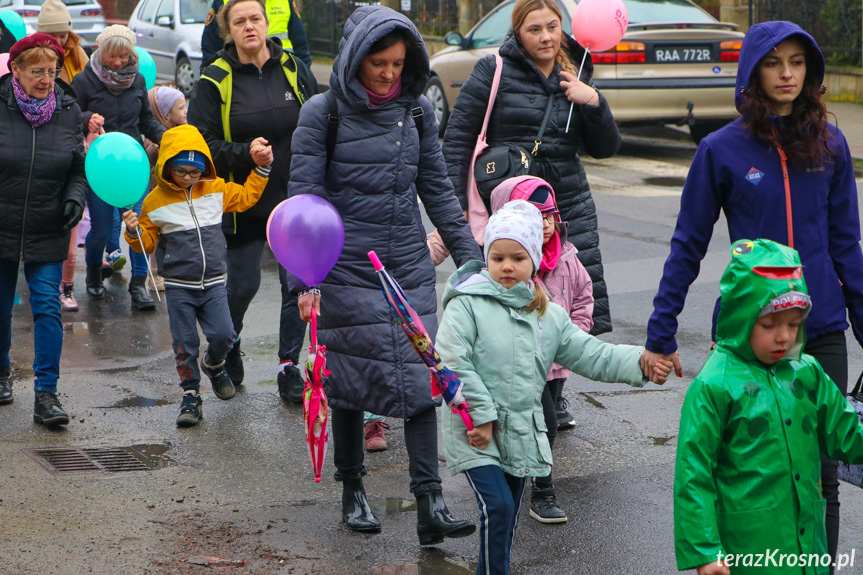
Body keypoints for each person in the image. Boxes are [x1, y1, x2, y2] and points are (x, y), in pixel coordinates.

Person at [642, 22, 863, 570]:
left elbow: (847, 246)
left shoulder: (832, 146)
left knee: (819, 475)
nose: (787, 74)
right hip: (748, 332)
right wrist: (660, 332)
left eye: (797, 62)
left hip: (821, 330)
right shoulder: (720, 149)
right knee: (744, 470)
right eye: (774, 63)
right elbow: (687, 244)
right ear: (752, 72)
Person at [288, 5, 482, 543]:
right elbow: (304, 200)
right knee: (349, 382)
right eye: (378, 63)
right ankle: (353, 491)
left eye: (398, 63)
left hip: (407, 264)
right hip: (344, 267)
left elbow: (439, 191)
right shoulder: (321, 114)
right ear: (354, 58)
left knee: (426, 376)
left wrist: (472, 260)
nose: (389, 74)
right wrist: (304, 281)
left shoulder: (417, 112)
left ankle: (431, 502)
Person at [435, 200, 670, 575]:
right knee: (497, 506)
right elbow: (452, 363)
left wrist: (642, 361)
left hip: (519, 431)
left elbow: (592, 355)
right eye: (497, 258)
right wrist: (480, 417)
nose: (507, 266)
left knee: (507, 515)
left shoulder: (548, 314)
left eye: (517, 257)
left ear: (534, 260)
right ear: (487, 257)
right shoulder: (467, 305)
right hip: (475, 429)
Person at [674, 239, 863, 575]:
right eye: (769, 325)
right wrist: (705, 551)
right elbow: (694, 474)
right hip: (748, 552)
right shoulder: (714, 385)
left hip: (806, 544)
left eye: (794, 324)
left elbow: (847, 432)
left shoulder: (807, 372)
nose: (784, 338)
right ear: (741, 316)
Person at [442, 0, 620, 336]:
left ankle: (554, 387)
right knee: (512, 305)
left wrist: (594, 102)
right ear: (518, 33)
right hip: (511, 207)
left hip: (567, 206)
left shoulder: (576, 72)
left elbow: (606, 148)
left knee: (566, 305)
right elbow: (457, 141)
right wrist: (458, 207)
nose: (546, 37)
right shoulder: (492, 70)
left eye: (552, 27)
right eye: (534, 29)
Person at [189, 0, 317, 401]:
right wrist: (245, 153)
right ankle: (229, 344)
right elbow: (200, 143)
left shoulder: (293, 68)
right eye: (239, 21)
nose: (249, 27)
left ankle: (288, 366)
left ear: (265, 23)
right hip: (242, 201)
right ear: (229, 30)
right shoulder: (216, 78)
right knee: (242, 285)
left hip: (293, 196)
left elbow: (320, 118)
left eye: (255, 19)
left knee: (294, 286)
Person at [122, 124, 271, 427]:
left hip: (215, 281)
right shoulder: (154, 202)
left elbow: (244, 197)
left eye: (195, 171)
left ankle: (214, 364)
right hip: (179, 287)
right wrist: (133, 230)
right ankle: (190, 395)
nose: (189, 178)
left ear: (205, 167)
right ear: (167, 168)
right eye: (181, 171)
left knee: (224, 334)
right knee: (184, 343)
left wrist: (262, 169)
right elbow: (145, 245)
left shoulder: (215, 189)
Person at [487, 176, 593, 524]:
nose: (546, 224)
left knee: (544, 425)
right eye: (537, 216)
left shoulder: (567, 258)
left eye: (550, 216)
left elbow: (583, 299)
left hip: (552, 363)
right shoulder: (505, 263)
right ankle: (527, 490)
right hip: (514, 365)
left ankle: (538, 491)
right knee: (529, 425)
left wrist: (570, 337)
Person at [0, 34, 87, 425]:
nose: (46, 79)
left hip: (48, 225)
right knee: (0, 308)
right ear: (15, 70)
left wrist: (75, 198)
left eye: (52, 71)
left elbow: (77, 169)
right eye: (37, 71)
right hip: (1, 224)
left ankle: (46, 394)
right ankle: (2, 374)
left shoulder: (68, 110)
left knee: (48, 309)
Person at [71, 24, 165, 310]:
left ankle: (139, 285)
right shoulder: (84, 81)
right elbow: (71, 117)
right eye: (114, 56)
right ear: (101, 53)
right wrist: (88, 118)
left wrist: (169, 138)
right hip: (101, 167)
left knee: (138, 224)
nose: (119, 62)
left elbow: (146, 121)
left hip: (134, 166)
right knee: (100, 229)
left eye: (125, 57)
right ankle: (94, 275)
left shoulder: (137, 81)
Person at [36, 0, 90, 312]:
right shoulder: (29, 60)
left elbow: (83, 99)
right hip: (42, 144)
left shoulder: (77, 56)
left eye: (64, 36)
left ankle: (64, 285)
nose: (60, 43)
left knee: (73, 219)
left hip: (73, 140)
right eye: (54, 36)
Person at [144, 85, 189, 292]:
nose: (185, 111)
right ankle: (155, 273)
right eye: (180, 108)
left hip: (179, 194)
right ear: (165, 115)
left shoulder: (185, 132)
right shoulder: (153, 141)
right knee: (159, 234)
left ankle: (176, 269)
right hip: (159, 194)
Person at [201, 0, 310, 67]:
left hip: (283, 76)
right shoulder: (222, 2)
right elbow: (210, 47)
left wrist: (302, 78)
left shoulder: (285, 1)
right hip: (238, 76)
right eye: (240, 22)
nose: (249, 27)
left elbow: (301, 46)